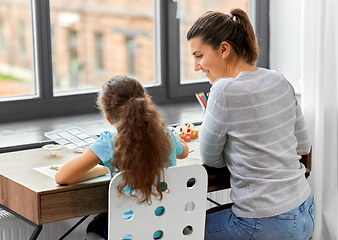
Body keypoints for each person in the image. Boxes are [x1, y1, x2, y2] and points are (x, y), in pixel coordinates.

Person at [187, 8, 316, 240]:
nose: (196, 66)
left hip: (265, 223)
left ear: (224, 49)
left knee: (181, 230)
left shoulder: (223, 90)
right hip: (306, 211)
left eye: (198, 55)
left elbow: (209, 157)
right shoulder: (278, 79)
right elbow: (303, 145)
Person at [55, 75, 189, 240]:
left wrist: (102, 169)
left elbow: (62, 176)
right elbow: (184, 152)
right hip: (165, 230)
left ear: (109, 118)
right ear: (146, 107)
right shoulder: (166, 134)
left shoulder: (109, 143)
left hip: (129, 234)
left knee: (96, 224)